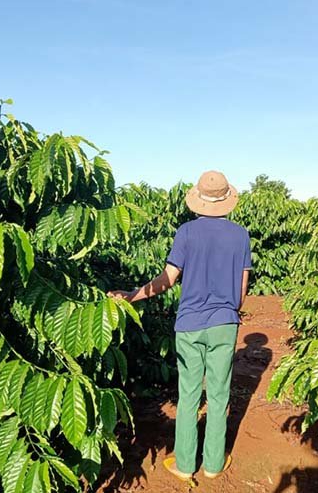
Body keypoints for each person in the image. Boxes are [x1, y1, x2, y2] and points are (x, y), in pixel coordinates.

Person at [108, 170, 252, 481]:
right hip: (225, 323)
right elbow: (242, 288)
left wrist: (131, 296)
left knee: (188, 395)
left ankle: (186, 464)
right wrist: (228, 311)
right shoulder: (241, 235)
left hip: (189, 324)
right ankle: (214, 464)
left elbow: (167, 280)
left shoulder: (186, 233)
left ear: (198, 200)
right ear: (227, 201)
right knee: (219, 394)